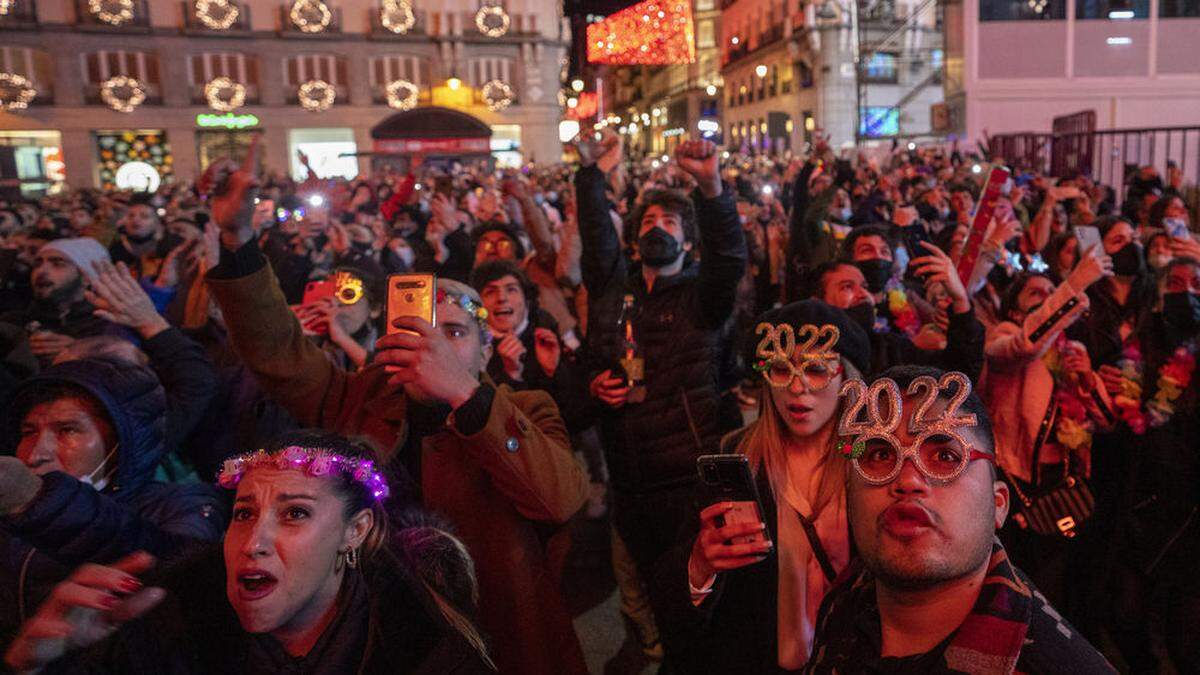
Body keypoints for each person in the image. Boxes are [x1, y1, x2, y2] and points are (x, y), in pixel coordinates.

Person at [201, 147, 590, 675]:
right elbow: (278, 353)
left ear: (485, 351)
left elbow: (561, 497)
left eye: (453, 333)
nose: (433, 343)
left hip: (496, 638)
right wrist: (238, 241)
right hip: (378, 639)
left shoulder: (525, 407)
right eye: (419, 328)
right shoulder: (362, 398)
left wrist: (467, 398)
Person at [3, 431, 495, 674]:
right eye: (242, 514)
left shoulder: (427, 653)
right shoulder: (168, 630)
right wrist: (32, 665)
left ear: (355, 531)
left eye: (295, 514)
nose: (253, 542)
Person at [804, 365, 1114, 674]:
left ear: (998, 504)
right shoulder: (844, 602)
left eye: (946, 457)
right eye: (881, 456)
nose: (908, 480)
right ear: (849, 493)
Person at [575, 131, 747, 658]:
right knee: (651, 588)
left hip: (688, 477)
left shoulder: (703, 299)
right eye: (648, 222)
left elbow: (730, 256)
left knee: (701, 597)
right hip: (630, 477)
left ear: (688, 242)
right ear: (632, 242)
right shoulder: (612, 292)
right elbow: (595, 235)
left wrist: (711, 186)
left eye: (670, 222)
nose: (658, 228)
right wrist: (592, 175)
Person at [657, 300, 870, 673]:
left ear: (846, 379)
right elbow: (679, 586)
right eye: (780, 369)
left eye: (817, 370)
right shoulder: (737, 458)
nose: (798, 388)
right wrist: (699, 566)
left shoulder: (869, 462)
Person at [0, 357, 227, 648]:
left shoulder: (184, 504)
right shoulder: (12, 513)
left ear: (122, 440)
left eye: (67, 430)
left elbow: (182, 573)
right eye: (28, 432)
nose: (35, 454)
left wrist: (41, 503)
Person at [1108, 256, 1200, 673]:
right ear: (1160, 296)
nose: (1188, 291)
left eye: (1197, 282)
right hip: (1143, 501)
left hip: (1192, 513)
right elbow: (1127, 419)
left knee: (1186, 638)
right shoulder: (1141, 344)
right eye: (1177, 283)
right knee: (1125, 615)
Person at [0, 237, 117, 370]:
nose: (41, 271)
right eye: (37, 264)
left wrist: (82, 351)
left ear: (86, 277)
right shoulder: (13, 321)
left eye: (58, 263)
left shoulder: (107, 326)